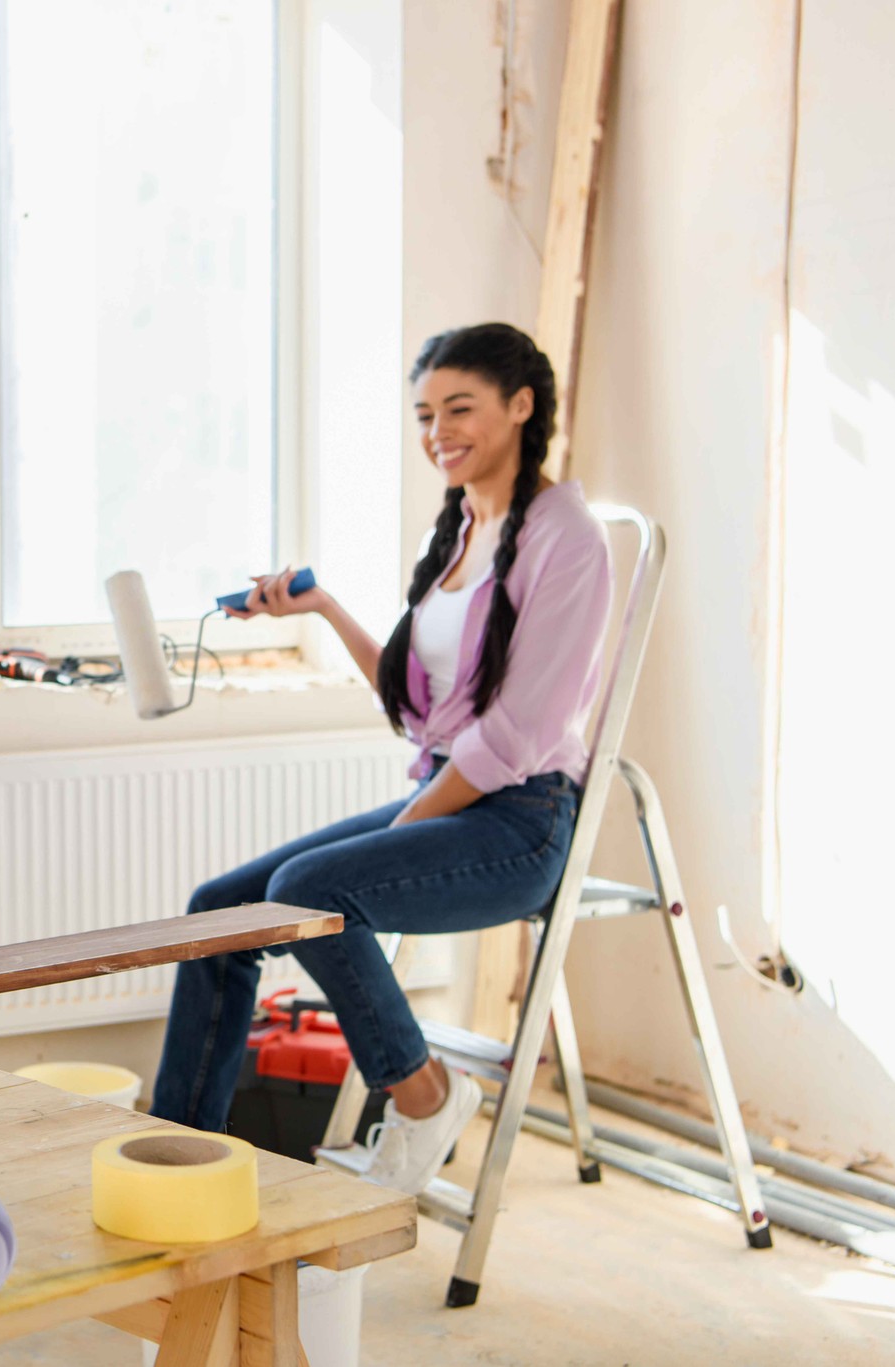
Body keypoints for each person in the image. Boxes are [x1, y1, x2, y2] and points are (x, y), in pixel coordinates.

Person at [148, 322, 613, 1194]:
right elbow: (418, 712)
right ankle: (182, 1163)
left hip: (523, 823)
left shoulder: (567, 539)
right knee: (217, 911)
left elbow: (514, 736)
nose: (439, 431)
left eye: (460, 408)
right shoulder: (465, 532)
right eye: (425, 414)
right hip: (459, 799)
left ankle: (424, 1095)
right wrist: (321, 607)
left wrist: (407, 824)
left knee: (308, 889)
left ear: (521, 406)